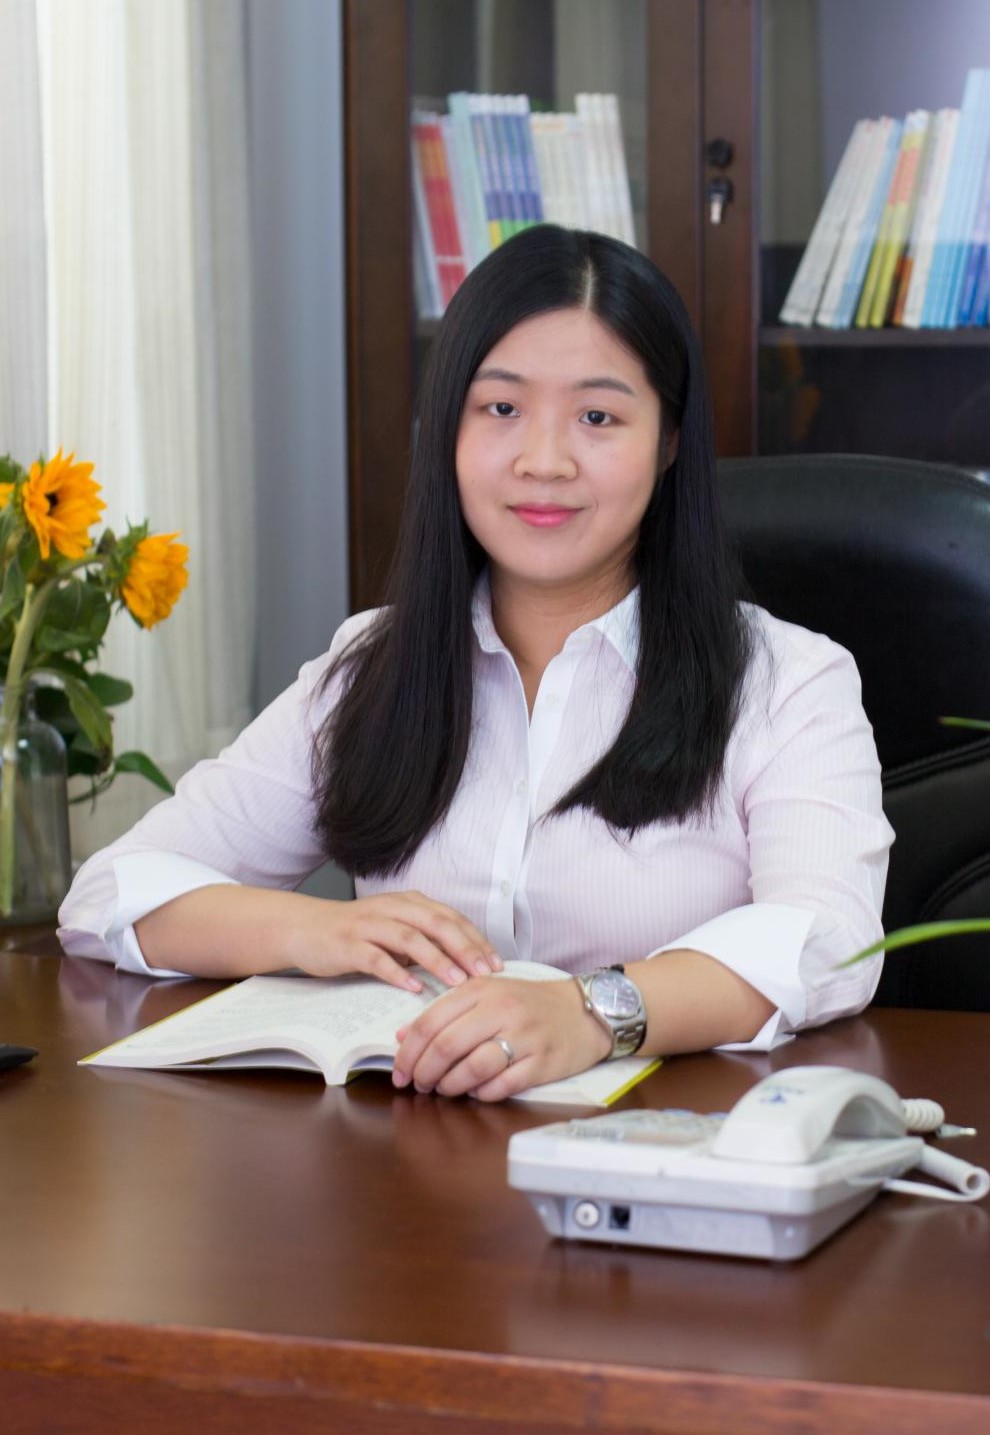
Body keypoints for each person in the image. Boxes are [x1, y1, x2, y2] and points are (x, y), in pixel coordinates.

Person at [59, 225, 893, 1101]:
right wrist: (308, 929)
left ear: (669, 441)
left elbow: (833, 939)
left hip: (675, 1144)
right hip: (407, 1153)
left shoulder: (788, 681)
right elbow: (109, 892)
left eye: (598, 417)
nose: (543, 461)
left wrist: (595, 1010)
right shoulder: (372, 666)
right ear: (448, 429)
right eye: (500, 409)